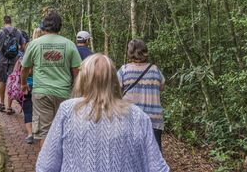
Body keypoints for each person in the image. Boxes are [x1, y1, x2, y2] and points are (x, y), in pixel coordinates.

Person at [36, 54, 169, 172]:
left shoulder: (68, 110)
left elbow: (46, 165)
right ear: (114, 80)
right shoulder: (138, 115)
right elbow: (157, 167)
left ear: (83, 79)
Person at [21, 10, 82, 147]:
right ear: (60, 26)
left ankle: (46, 166)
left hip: (42, 93)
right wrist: (75, 92)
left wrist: (23, 84)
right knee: (63, 132)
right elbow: (77, 72)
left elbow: (24, 68)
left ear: (44, 26)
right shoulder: (69, 44)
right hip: (64, 94)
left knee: (45, 134)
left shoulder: (34, 44)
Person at [117, 39, 165, 151]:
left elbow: (115, 92)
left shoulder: (124, 70)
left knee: (131, 157)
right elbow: (162, 87)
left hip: (130, 118)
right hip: (153, 119)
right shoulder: (155, 70)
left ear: (130, 52)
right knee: (154, 157)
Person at [0, 16, 26, 114]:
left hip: (2, 60)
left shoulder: (0, 32)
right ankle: (9, 107)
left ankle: (2, 104)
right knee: (11, 81)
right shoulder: (18, 32)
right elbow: (23, 47)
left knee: (2, 81)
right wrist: (17, 49)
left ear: (4, 22)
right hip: (14, 61)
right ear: (11, 22)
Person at [21, 27, 44, 144]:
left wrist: (23, 83)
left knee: (28, 109)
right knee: (39, 110)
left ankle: (30, 134)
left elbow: (24, 67)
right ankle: (37, 132)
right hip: (41, 85)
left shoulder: (30, 46)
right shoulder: (45, 47)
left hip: (29, 84)